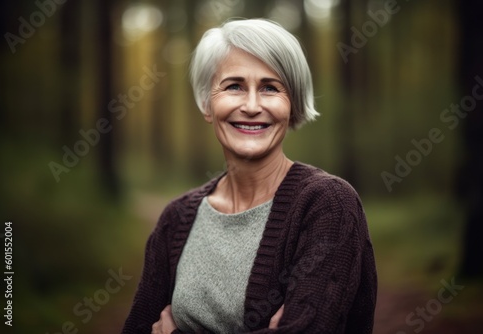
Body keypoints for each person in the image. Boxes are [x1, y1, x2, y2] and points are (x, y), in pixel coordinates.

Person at [122, 18, 377, 334]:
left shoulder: (328, 204)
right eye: (234, 86)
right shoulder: (176, 219)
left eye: (270, 88)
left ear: (292, 104)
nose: (252, 105)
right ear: (207, 103)